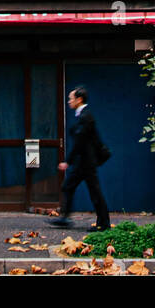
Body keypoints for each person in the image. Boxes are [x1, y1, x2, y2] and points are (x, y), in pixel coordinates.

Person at [49, 85, 111, 229]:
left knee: (94, 192)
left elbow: (79, 142)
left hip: (87, 163)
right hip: (83, 163)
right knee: (68, 187)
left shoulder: (86, 116)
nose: (69, 101)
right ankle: (65, 218)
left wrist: (67, 161)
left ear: (79, 99)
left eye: (71, 99)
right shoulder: (82, 116)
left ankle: (103, 223)